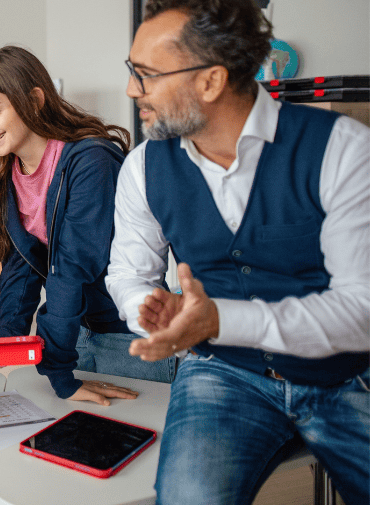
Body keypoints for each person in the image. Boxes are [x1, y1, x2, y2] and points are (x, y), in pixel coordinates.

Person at [106, 0, 369, 503]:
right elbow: (127, 273)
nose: (131, 89)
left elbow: (362, 309)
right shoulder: (141, 168)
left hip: (343, 373)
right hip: (220, 375)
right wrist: (152, 313)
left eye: (146, 74)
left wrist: (218, 320)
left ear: (210, 81)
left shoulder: (344, 150)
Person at [0, 46, 173, 407]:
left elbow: (72, 266)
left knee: (134, 444)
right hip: (76, 328)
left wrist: (57, 371)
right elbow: (24, 265)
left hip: (129, 336)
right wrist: (6, 338)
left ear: (34, 99)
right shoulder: (10, 173)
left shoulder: (91, 161)